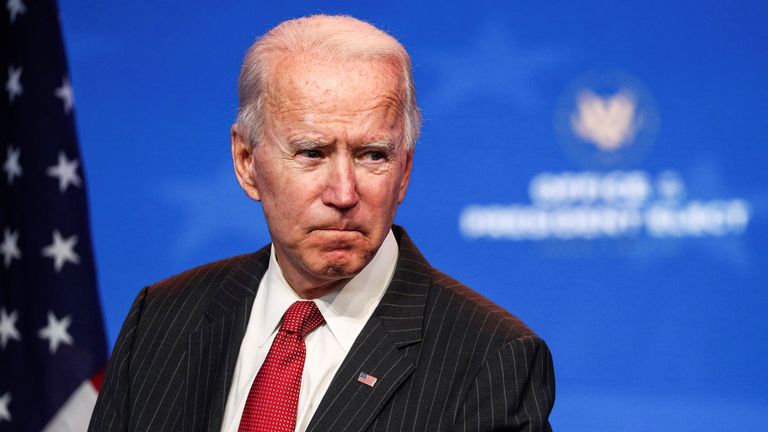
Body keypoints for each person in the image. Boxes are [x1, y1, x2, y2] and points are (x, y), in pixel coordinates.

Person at [89, 14, 555, 432]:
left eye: (372, 155)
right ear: (246, 160)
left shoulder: (491, 357)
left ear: (404, 171)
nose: (344, 194)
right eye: (312, 153)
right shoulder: (162, 318)